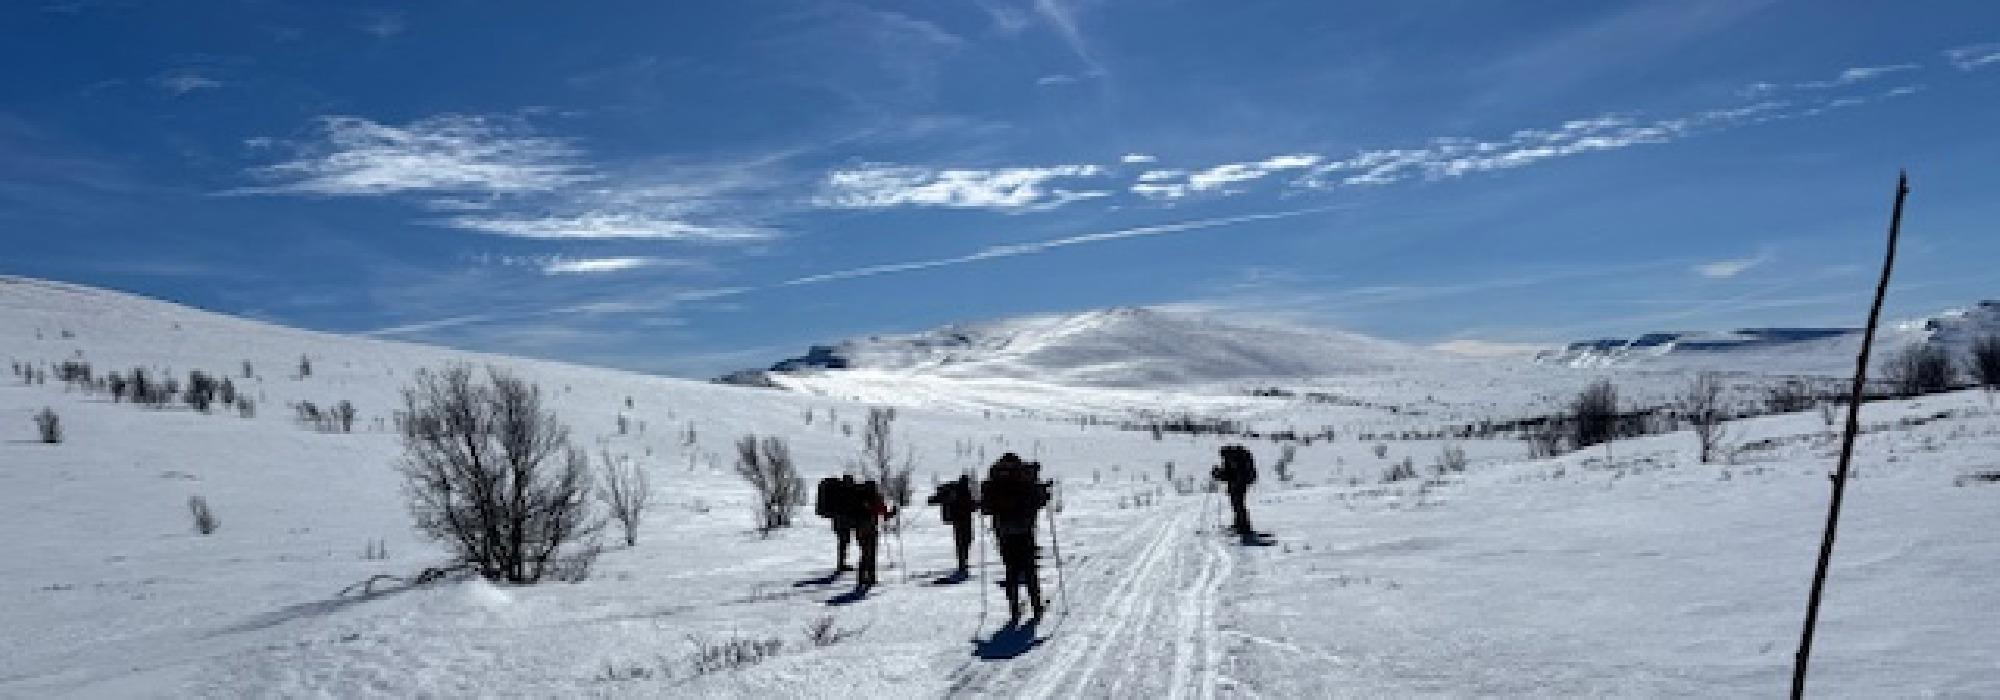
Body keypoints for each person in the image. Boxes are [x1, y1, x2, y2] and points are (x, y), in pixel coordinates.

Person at [981, 453, 1048, 624]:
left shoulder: (995, 480)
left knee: (1011, 569)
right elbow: (1038, 501)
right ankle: (1036, 606)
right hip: (1024, 529)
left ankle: (1014, 609)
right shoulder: (1024, 477)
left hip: (1003, 530)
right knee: (1029, 568)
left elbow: (985, 507)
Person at [927, 474, 979, 577]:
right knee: (965, 541)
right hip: (965, 519)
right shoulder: (963, 492)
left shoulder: (952, 490)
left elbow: (934, 500)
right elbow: (970, 505)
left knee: (961, 542)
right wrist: (978, 505)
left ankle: (963, 563)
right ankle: (963, 564)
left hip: (957, 520)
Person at [852, 479, 895, 587]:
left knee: (865, 552)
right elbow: (884, 514)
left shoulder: (857, 497)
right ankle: (871, 577)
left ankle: (862, 578)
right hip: (870, 528)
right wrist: (892, 512)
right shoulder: (875, 497)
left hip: (858, 529)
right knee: (871, 553)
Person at [816, 474, 860, 574]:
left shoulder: (839, 490)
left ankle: (841, 564)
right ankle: (841, 565)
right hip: (843, 521)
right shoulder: (845, 491)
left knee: (843, 542)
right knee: (844, 542)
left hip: (838, 521)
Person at [1212, 445, 1258, 540]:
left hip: (1241, 482)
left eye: (1222, 456)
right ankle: (1239, 525)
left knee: (1238, 504)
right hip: (1241, 482)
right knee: (1237, 504)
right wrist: (1218, 473)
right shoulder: (1234, 457)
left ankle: (1244, 528)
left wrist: (1218, 474)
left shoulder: (1234, 458)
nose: (1222, 459)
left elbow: (1231, 474)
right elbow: (1228, 474)